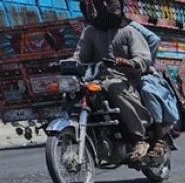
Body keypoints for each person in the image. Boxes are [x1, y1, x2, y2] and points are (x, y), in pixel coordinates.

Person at [73, 0, 153, 161]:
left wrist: (130, 62)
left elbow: (144, 58)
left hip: (125, 79)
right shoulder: (90, 32)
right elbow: (80, 57)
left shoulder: (129, 31)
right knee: (74, 90)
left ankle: (139, 139)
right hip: (97, 79)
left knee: (114, 86)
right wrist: (66, 65)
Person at [127, 20, 179, 156]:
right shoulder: (93, 29)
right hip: (115, 74)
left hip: (139, 71)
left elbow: (154, 39)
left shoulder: (128, 25)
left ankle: (158, 137)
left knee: (147, 90)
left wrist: (143, 64)